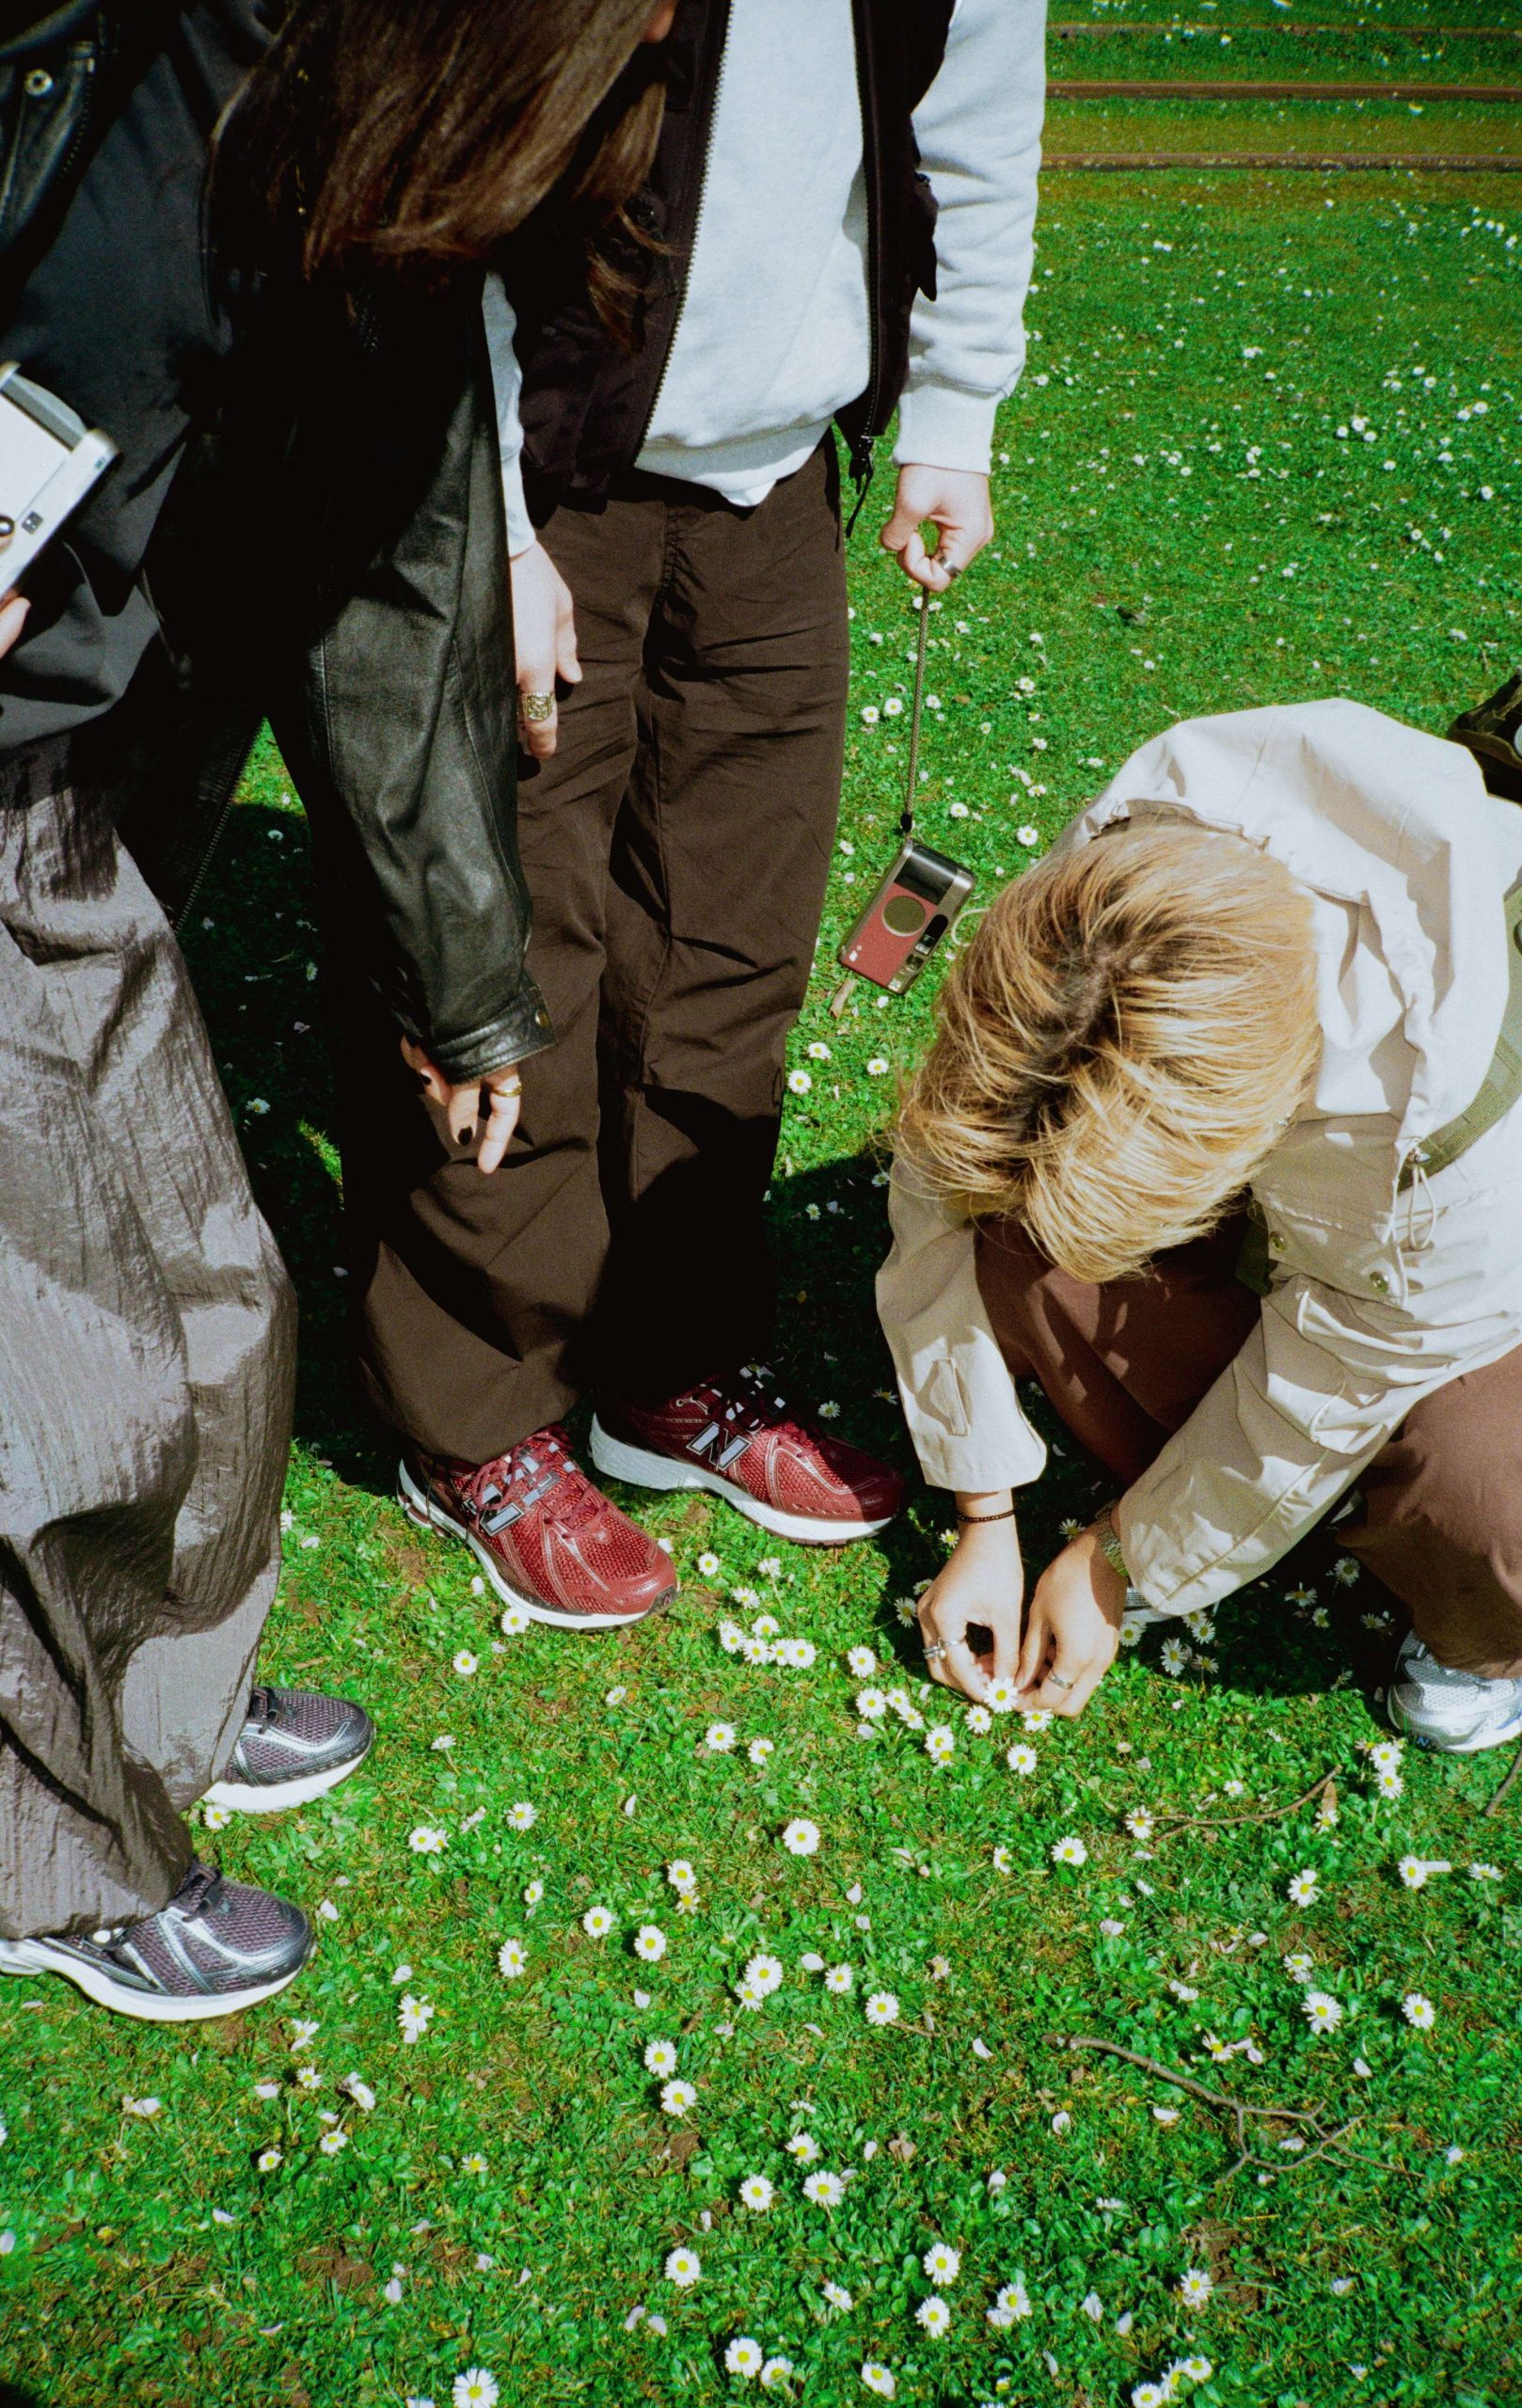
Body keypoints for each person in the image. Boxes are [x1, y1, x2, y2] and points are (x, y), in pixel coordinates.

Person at [0, 0, 674, 2020]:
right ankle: (31, 1860)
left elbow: (401, 592)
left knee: (209, 1285)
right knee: (44, 1366)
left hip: (37, 765)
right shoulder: (92, 54)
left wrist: (463, 983)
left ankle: (150, 1715)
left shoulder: (385, 193)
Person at [329, 0, 1048, 1631]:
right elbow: (444, 171)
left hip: (775, 480)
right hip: (539, 469)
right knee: (510, 942)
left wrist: (951, 414)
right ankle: (478, 1411)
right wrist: (491, 521)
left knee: (731, 943)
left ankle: (668, 1365)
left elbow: (975, 127)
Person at [879, 694, 1522, 1751]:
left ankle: (1486, 1639)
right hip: (1336, 1201)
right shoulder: (1118, 880)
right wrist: (982, 1507)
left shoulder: (1455, 1148)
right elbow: (952, 1169)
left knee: (1488, 1499)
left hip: (1484, 1268)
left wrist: (1121, 1559)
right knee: (1022, 1230)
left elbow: (1326, 1394)